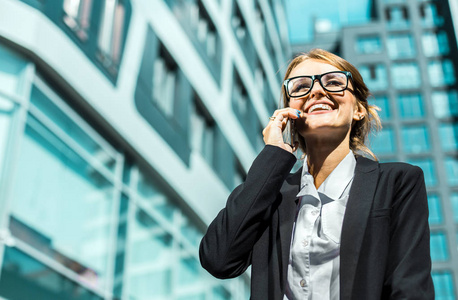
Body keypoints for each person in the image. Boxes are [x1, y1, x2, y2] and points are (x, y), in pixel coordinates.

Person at [199, 49, 434, 300]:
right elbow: (218, 259)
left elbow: (409, 290)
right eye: (300, 86)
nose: (317, 91)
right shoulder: (271, 196)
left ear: (359, 110)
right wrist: (273, 155)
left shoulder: (398, 183)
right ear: (290, 113)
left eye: (333, 82)